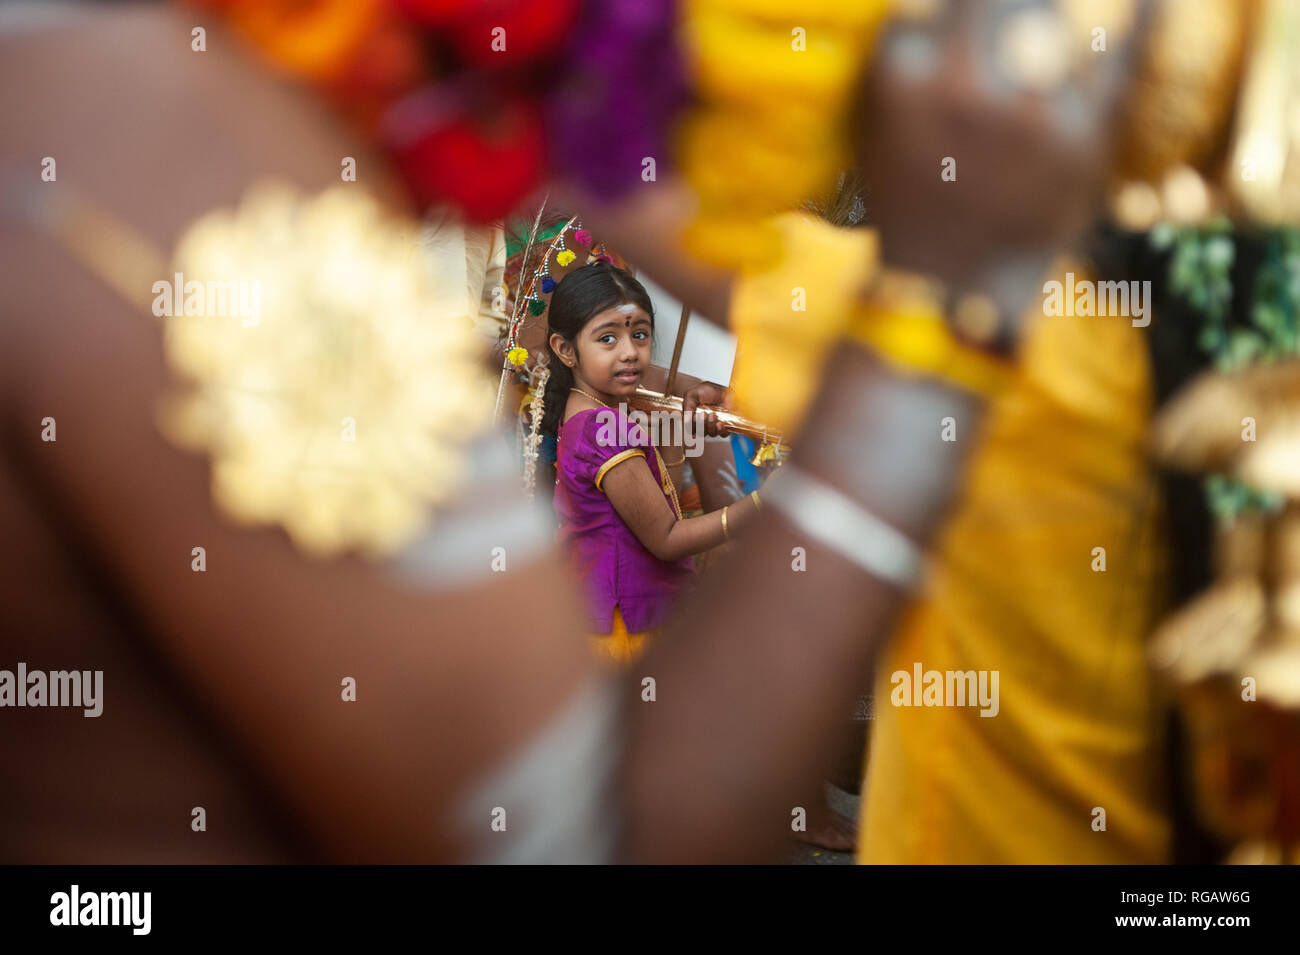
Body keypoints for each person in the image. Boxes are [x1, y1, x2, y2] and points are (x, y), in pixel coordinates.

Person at [541, 262, 760, 664]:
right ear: (565, 350)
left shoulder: (591, 411)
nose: (630, 352)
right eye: (608, 338)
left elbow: (663, 496)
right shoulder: (603, 428)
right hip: (628, 628)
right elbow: (668, 539)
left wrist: (681, 432)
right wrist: (763, 505)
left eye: (639, 334)